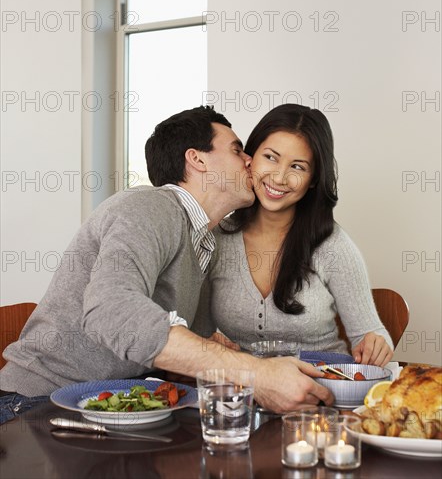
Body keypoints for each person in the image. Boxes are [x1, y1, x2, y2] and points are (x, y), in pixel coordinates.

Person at [0, 106, 332, 425]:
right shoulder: (148, 205)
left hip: (118, 408)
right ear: (197, 158)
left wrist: (218, 350)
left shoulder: (204, 241)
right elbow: (110, 311)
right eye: (236, 150)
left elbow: (168, 347)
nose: (250, 161)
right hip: (34, 405)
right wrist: (253, 373)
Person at [197, 104, 394, 367]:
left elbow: (371, 334)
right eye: (270, 157)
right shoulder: (216, 238)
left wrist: (377, 344)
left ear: (313, 179)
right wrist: (210, 344)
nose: (279, 177)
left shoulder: (332, 244)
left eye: (298, 167)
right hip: (246, 394)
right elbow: (195, 333)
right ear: (250, 158)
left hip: (322, 392)